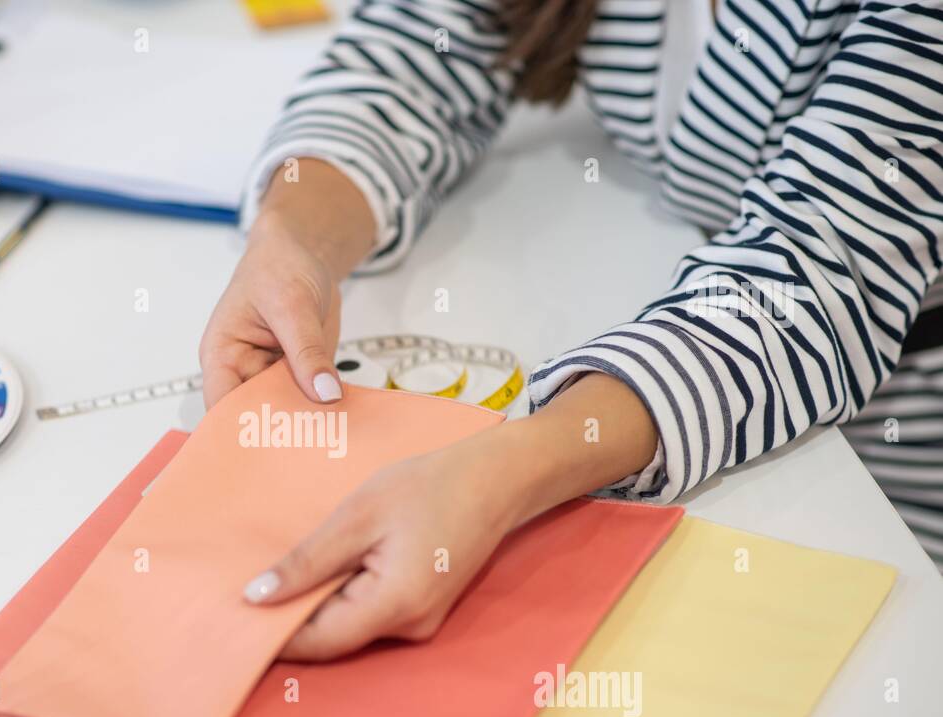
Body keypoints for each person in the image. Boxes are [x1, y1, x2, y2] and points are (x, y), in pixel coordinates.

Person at [199, 0, 943, 661]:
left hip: (886, 463)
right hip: (689, 350)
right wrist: (293, 238)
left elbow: (810, 280)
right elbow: (415, 53)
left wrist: (505, 472)